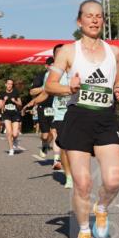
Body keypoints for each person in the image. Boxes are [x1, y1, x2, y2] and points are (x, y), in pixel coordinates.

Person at [46, 1, 119, 238]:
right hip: (78, 119)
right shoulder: (69, 51)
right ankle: (83, 231)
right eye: (89, 16)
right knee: (82, 184)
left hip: (104, 119)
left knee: (113, 181)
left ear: (103, 21)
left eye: (99, 17)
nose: (94, 20)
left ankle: (101, 209)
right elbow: (50, 85)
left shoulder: (115, 52)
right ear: (79, 21)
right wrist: (70, 88)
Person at [46, 44, 73, 189]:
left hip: (78, 113)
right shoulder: (51, 74)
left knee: (78, 147)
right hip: (61, 115)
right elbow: (47, 90)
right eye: (59, 54)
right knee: (65, 147)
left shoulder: (77, 68)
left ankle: (77, 173)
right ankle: (69, 176)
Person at [24, 58, 56, 161]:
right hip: (43, 106)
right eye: (51, 65)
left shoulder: (60, 75)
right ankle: (45, 144)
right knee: (45, 135)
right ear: (46, 66)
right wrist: (45, 88)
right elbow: (32, 92)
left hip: (57, 106)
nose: (53, 67)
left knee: (55, 131)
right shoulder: (40, 76)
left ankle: (57, 158)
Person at [0, 79, 23, 155]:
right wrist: (4, 101)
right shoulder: (2, 94)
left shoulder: (16, 92)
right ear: (6, 84)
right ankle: (11, 149)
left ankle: (15, 140)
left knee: (15, 134)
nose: (9, 85)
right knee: (9, 132)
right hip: (6, 114)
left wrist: (15, 101)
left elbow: (20, 104)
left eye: (11, 84)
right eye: (8, 84)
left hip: (15, 114)